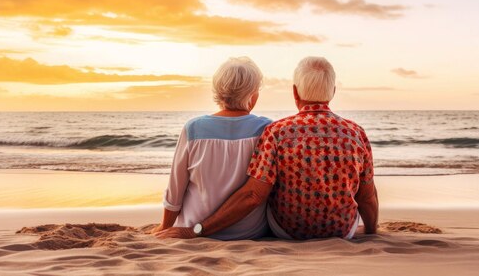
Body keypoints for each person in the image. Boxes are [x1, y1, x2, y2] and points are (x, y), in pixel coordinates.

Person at [156, 56, 378, 240]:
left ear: (295, 92)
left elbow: (252, 194)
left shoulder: (275, 131)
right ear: (333, 91)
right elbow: (367, 197)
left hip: (281, 231)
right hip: (325, 232)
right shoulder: (355, 132)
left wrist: (176, 227)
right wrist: (370, 232)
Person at [151, 57, 271, 240]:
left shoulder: (193, 128)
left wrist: (165, 226)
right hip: (249, 233)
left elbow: (176, 190)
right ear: (252, 95)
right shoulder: (267, 130)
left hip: (194, 229)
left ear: (218, 91)